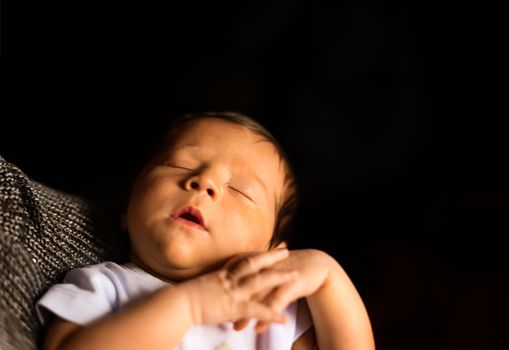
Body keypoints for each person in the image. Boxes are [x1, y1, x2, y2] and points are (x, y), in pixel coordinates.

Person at [36, 112, 375, 350]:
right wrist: (189, 307)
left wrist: (330, 276)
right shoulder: (104, 286)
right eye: (179, 164)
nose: (205, 182)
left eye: (241, 190)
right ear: (126, 211)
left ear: (271, 255)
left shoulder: (273, 315)